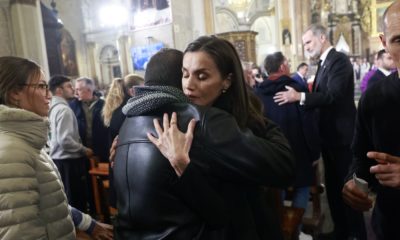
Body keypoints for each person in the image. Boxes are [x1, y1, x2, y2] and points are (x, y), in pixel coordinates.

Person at [114, 42, 295, 239]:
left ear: (227, 81)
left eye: (202, 76)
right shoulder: (199, 120)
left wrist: (256, 118)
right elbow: (217, 213)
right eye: (184, 74)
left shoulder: (127, 125)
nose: (189, 85)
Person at [0, 56, 113, 240]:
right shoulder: (11, 153)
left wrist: (87, 223)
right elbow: (20, 232)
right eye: (41, 86)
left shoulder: (26, 144)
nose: (49, 94)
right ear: (15, 93)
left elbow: (50, 205)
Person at [273, 24, 367, 239]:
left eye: (308, 42)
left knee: (349, 191)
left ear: (322, 37)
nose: (305, 47)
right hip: (329, 138)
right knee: (334, 190)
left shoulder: (339, 60)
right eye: (304, 43)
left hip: (342, 139)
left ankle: (356, 234)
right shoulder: (324, 63)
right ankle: (340, 231)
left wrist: (300, 97)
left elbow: (332, 95)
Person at [342, 1, 400, 239]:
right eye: (399, 40)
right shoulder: (374, 99)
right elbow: (360, 156)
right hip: (391, 225)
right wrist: (353, 183)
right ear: (385, 43)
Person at [254, 52, 320, 239]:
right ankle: (295, 232)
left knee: (275, 194)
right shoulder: (297, 89)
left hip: (271, 155)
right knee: (303, 187)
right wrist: (315, 153)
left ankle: (280, 232)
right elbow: (309, 125)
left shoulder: (257, 93)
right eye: (288, 63)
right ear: (283, 67)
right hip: (299, 153)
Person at [48, 74, 93, 213]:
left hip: (57, 160)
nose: (73, 89)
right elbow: (65, 141)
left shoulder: (51, 107)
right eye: (69, 86)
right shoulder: (64, 110)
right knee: (76, 201)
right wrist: (84, 150)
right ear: (59, 90)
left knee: (67, 200)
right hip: (69, 162)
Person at [102, 74, 143, 208]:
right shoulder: (129, 112)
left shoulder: (119, 110)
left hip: (119, 169)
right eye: (143, 88)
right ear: (132, 91)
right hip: (127, 173)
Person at [69, 77, 110, 163]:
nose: (75, 93)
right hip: (81, 152)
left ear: (89, 90)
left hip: (101, 152)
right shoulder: (72, 106)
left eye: (78, 90)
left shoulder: (104, 105)